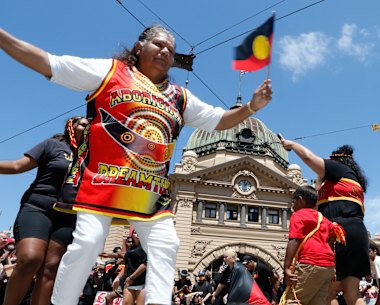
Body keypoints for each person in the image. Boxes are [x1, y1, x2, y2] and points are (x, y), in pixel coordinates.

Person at [0, 24, 272, 305]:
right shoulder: (111, 72)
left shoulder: (180, 96)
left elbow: (219, 119)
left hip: (149, 190)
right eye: (158, 44)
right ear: (139, 47)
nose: (165, 51)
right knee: (88, 243)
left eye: (171, 49)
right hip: (105, 181)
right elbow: (49, 63)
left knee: (167, 245)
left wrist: (252, 107)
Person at [0, 116, 88, 305]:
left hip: (70, 216)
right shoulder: (54, 145)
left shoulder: (95, 155)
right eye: (81, 123)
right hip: (38, 207)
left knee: (51, 267)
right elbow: (17, 166)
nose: (86, 126)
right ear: (70, 127)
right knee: (31, 258)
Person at [280, 141, 369, 305]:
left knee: (330, 292)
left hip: (338, 233)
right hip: (359, 234)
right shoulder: (353, 181)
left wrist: (292, 145)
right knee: (353, 293)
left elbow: (308, 157)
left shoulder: (338, 169)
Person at [282, 185, 338, 305]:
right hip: (328, 266)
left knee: (292, 301)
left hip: (310, 262)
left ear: (300, 199)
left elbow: (294, 240)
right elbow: (333, 237)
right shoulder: (323, 218)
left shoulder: (299, 215)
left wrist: (286, 267)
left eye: (294, 201)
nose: (292, 205)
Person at [114, 233, 147, 305]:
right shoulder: (130, 250)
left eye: (139, 232)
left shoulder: (146, 247)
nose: (138, 234)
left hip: (143, 282)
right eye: (135, 232)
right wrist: (118, 278)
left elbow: (144, 265)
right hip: (129, 282)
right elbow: (127, 265)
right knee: (126, 303)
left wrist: (131, 278)